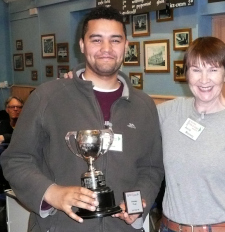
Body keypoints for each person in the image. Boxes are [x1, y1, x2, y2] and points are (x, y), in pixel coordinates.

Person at [0, 6, 163, 232]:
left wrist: (138, 204)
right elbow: (16, 159)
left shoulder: (144, 106)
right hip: (60, 226)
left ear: (126, 46)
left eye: (115, 40)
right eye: (96, 40)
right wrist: (51, 193)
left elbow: (151, 168)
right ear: (82, 45)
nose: (106, 48)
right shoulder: (47, 97)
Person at [158, 37, 225, 232]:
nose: (204, 79)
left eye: (213, 69)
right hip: (170, 228)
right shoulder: (169, 113)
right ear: (186, 74)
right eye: (196, 69)